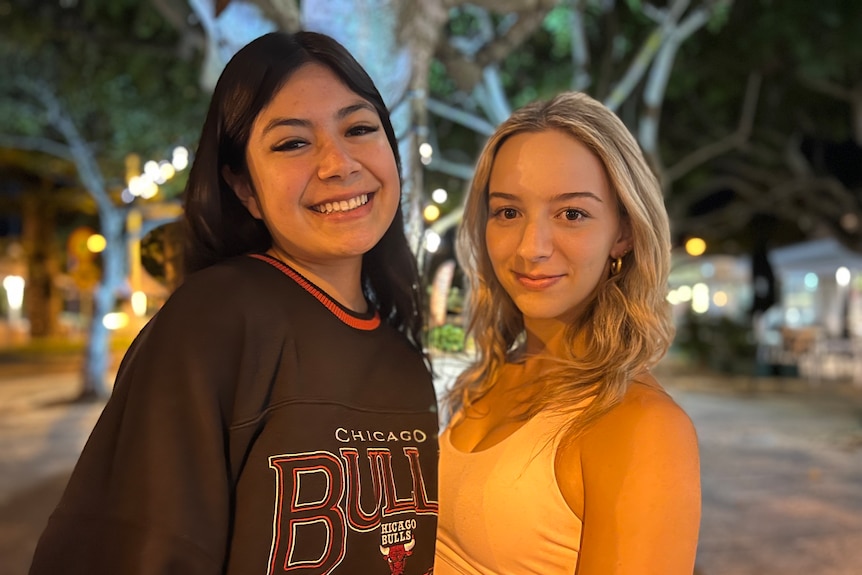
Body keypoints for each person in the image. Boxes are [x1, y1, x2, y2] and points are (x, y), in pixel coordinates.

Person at [30, 31, 439, 575]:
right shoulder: (214, 321)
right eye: (293, 143)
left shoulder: (404, 356)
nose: (338, 163)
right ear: (243, 186)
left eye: (360, 129)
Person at [434, 92, 701, 574]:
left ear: (623, 232)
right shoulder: (493, 375)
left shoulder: (642, 424)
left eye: (572, 214)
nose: (531, 247)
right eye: (508, 212)